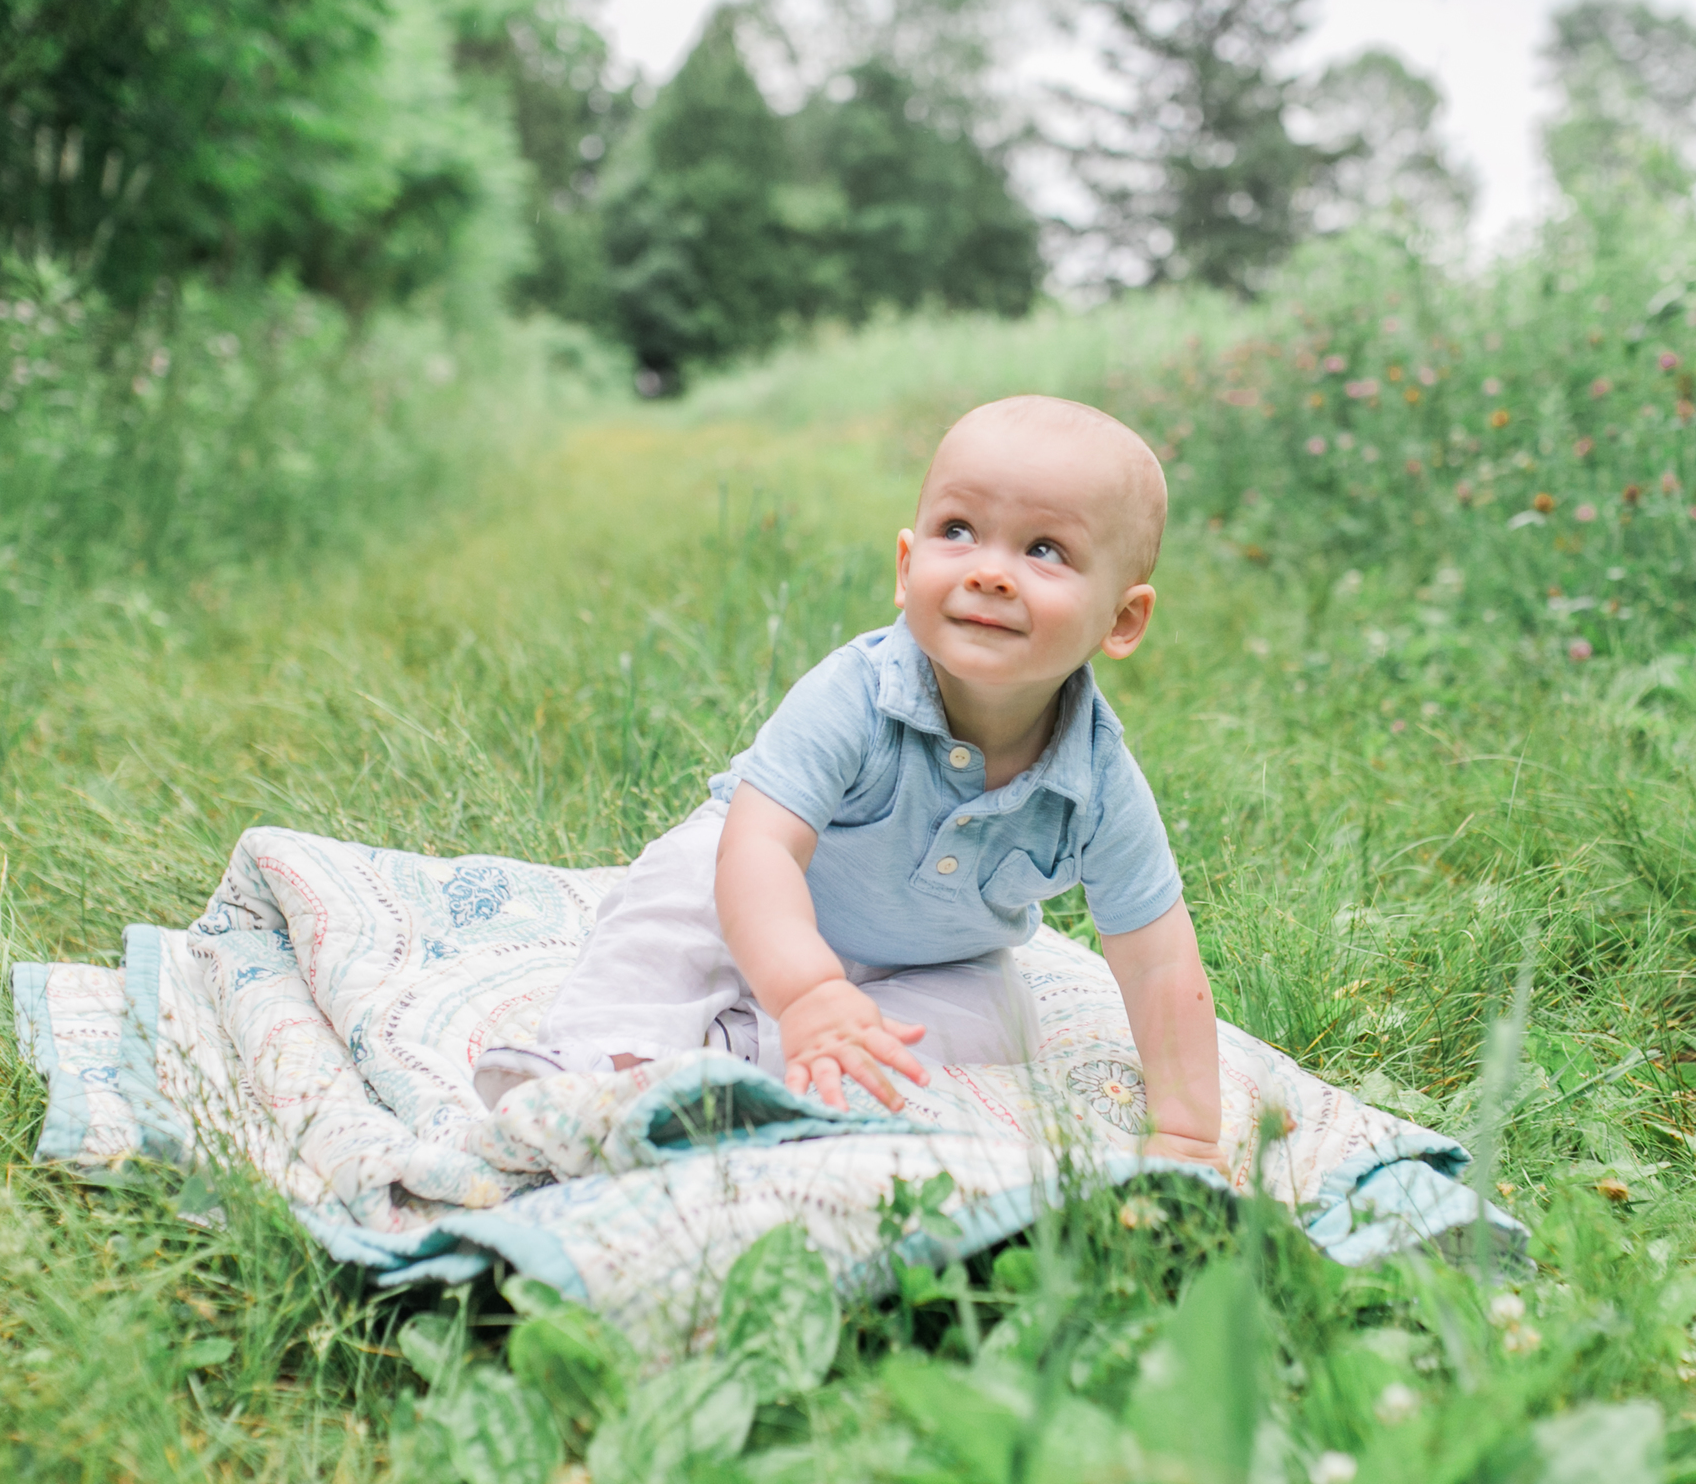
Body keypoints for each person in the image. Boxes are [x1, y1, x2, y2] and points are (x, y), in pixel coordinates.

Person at [475, 395, 1223, 1169]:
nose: (991, 572)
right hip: (764, 893)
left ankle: (733, 1066)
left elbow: (1158, 961)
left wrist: (1188, 1132)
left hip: (927, 960)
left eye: (1046, 550)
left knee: (1003, 1016)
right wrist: (803, 987)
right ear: (906, 567)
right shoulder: (859, 694)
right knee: (682, 884)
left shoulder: (1098, 782)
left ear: (1123, 620)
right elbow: (761, 847)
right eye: (957, 531)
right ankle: (596, 1067)